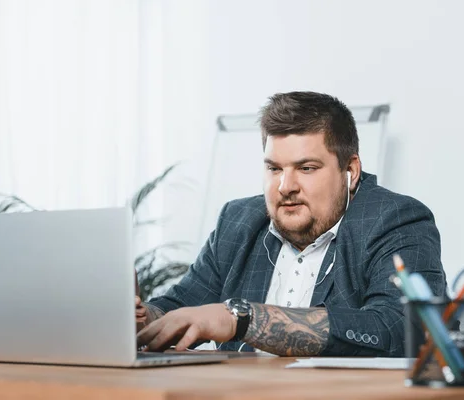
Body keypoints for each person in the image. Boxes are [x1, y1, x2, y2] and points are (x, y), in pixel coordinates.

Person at [135, 91, 447, 356]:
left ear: (350, 171)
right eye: (274, 169)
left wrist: (243, 319)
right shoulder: (238, 221)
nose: (286, 186)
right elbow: (181, 308)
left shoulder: (396, 220)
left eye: (306, 168)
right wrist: (142, 317)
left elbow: (399, 326)